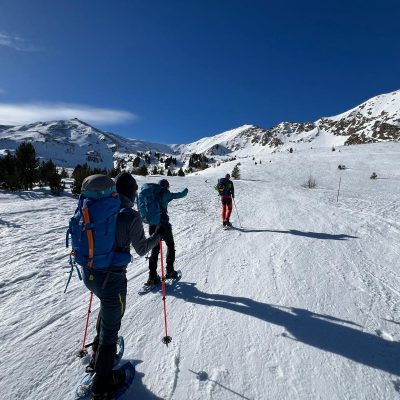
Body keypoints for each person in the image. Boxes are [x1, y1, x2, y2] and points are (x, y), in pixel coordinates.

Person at [82, 173, 162, 400]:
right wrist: (158, 236)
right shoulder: (130, 216)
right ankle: (102, 383)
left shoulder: (101, 208)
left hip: (90, 275)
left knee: (107, 310)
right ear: (132, 192)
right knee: (112, 324)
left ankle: (98, 353)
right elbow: (142, 249)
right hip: (113, 280)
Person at [146, 179, 188, 285]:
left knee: (154, 250)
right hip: (163, 225)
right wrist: (186, 191)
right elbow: (179, 195)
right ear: (166, 187)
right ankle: (170, 271)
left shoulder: (152, 194)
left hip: (152, 224)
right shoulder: (166, 194)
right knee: (170, 245)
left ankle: (152, 276)